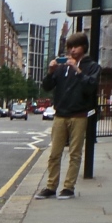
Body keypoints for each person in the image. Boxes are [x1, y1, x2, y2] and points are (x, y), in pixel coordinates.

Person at [36, 32, 101, 200]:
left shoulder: (92, 66)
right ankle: (51, 186)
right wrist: (50, 72)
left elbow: (90, 86)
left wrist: (77, 70)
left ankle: (68, 187)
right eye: (70, 47)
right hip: (60, 115)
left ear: (84, 47)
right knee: (54, 153)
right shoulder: (62, 67)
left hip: (79, 115)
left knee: (75, 153)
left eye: (76, 46)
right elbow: (48, 87)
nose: (72, 50)